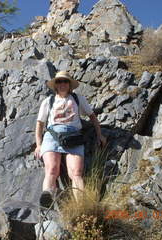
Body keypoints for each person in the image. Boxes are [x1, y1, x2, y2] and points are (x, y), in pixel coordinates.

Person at [34, 71, 106, 207]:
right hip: (52, 136)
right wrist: (38, 145)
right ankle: (47, 198)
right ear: (55, 85)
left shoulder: (78, 99)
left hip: (74, 136)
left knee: (76, 173)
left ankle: (82, 206)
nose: (62, 84)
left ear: (69, 84)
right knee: (51, 170)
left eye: (65, 81)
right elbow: (40, 124)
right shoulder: (48, 101)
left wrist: (99, 134)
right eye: (59, 81)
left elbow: (92, 117)